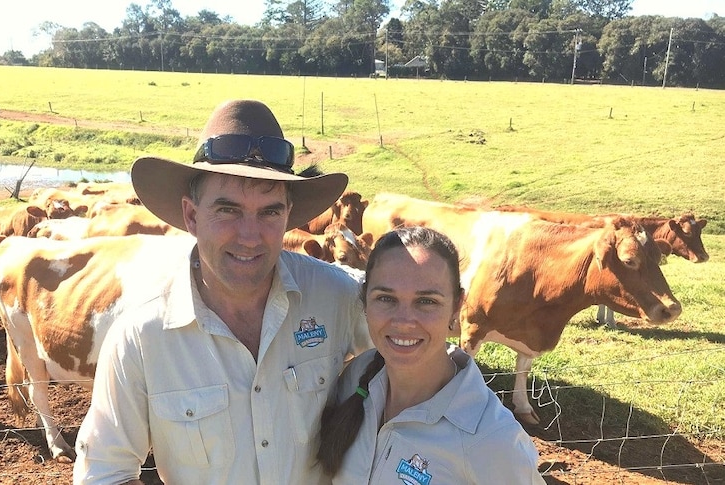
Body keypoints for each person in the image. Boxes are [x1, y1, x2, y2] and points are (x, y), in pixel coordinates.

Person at [72, 99, 372, 484]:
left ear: (288, 215)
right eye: (228, 210)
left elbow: (415, 362)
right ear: (192, 216)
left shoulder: (336, 296)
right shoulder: (141, 336)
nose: (250, 237)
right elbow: (105, 473)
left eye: (269, 212)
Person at [318, 226, 545, 484]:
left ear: (456, 306)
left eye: (426, 301)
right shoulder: (356, 378)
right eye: (385, 298)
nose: (404, 322)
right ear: (365, 301)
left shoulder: (491, 438)